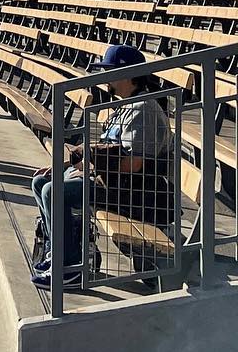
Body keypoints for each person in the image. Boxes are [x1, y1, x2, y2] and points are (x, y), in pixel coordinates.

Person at [31, 44, 173, 288]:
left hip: (135, 192)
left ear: (127, 75)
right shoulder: (127, 104)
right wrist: (73, 162)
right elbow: (108, 148)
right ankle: (57, 253)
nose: (104, 76)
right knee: (41, 182)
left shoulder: (143, 109)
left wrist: (92, 167)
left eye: (108, 70)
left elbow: (134, 164)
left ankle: (71, 267)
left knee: (53, 191)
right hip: (116, 183)